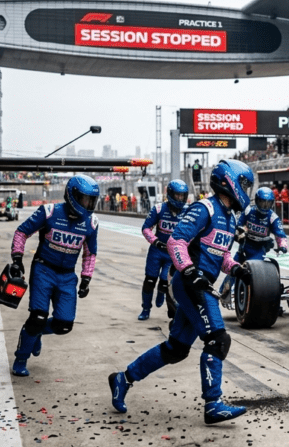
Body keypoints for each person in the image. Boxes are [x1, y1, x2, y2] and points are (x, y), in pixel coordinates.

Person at [108, 159, 254, 425]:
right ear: (230, 181)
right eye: (245, 184)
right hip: (189, 284)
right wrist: (188, 270)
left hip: (200, 283)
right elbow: (177, 240)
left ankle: (123, 379)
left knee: (176, 349)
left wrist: (237, 269)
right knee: (218, 340)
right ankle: (213, 404)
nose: (248, 190)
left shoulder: (231, 219)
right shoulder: (204, 208)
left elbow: (220, 257)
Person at [8, 175, 100, 377]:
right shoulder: (49, 212)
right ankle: (21, 358)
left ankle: (37, 333)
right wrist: (17, 259)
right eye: (85, 199)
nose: (88, 204)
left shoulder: (92, 223)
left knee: (63, 325)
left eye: (92, 200)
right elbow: (22, 232)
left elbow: (90, 252)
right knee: (38, 317)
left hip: (67, 276)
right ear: (72, 195)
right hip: (43, 270)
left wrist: (86, 277)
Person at [137, 179, 189, 321]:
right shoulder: (158, 209)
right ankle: (146, 308)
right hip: (156, 251)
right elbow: (146, 228)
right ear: (170, 194)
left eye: (182, 195)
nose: (180, 198)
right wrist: (155, 241)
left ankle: (163, 294)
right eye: (177, 195)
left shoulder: (188, 211)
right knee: (149, 280)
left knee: (166, 282)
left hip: (173, 254)